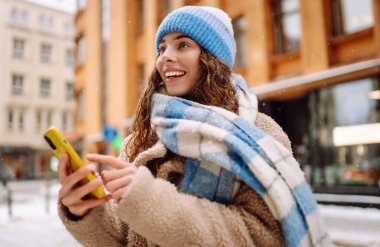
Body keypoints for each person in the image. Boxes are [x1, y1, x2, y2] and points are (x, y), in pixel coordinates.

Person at [57, 6, 331, 247]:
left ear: (213, 60)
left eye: (182, 45)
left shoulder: (258, 131)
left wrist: (151, 202)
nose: (165, 56)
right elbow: (127, 238)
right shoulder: (142, 138)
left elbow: (266, 237)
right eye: (162, 47)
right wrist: (86, 210)